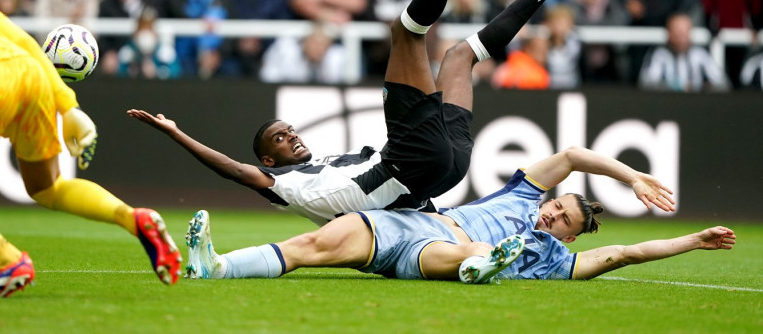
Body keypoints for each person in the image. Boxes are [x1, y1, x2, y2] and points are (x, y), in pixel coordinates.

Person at [128, 0, 580, 229]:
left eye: (288, 130)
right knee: (404, 33)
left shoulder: (320, 167)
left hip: (444, 168)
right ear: (268, 162)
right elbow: (231, 169)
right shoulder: (283, 186)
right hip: (412, 162)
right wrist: (175, 133)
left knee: (460, 56)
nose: (292, 137)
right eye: (281, 141)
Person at [183, 146, 734, 284]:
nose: (553, 217)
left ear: (568, 236)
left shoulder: (551, 260)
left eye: (563, 221)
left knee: (470, 253)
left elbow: (624, 252)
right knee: (316, 245)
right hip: (411, 225)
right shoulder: (520, 197)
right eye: (556, 205)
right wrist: (632, 177)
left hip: (434, 254)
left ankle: (482, 266)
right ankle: (217, 266)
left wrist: (692, 240)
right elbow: (571, 156)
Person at [0, 0, 181, 298]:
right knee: (47, 187)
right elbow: (26, 43)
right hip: (31, 77)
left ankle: (9, 260)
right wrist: (68, 107)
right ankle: (133, 217)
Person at [639, 12, 730, 92]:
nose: (680, 37)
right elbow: (646, 83)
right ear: (669, 33)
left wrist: (699, 88)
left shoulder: (700, 56)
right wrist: (675, 88)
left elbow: (722, 84)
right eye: (676, 32)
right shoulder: (660, 55)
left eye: (683, 32)